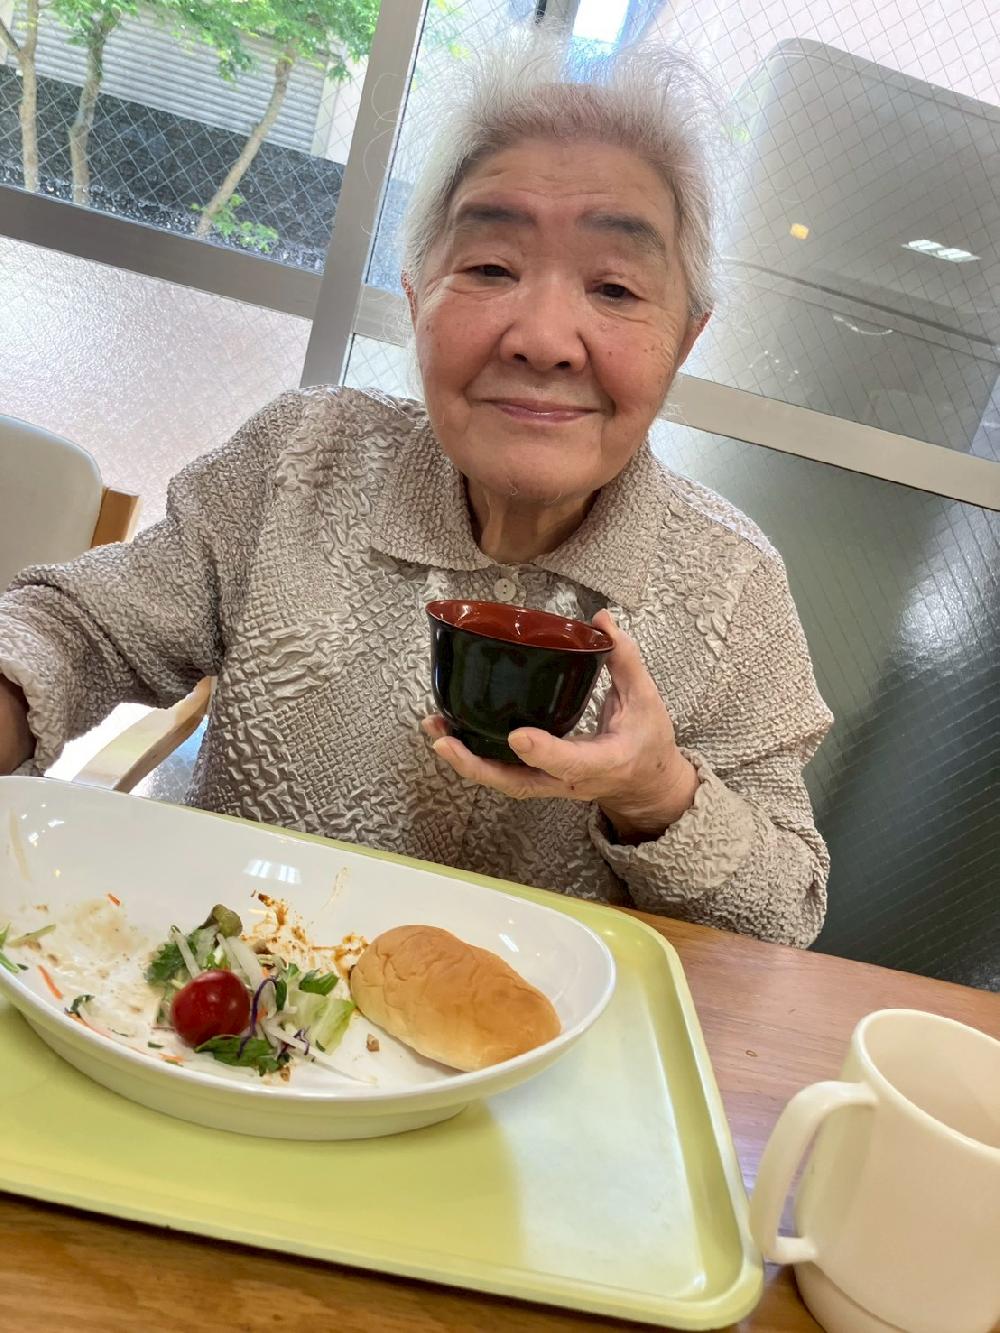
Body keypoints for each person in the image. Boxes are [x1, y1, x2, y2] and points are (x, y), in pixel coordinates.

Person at [0, 41, 832, 947]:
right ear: (415, 298)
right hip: (227, 988)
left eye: (615, 286)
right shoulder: (302, 460)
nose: (544, 338)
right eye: (490, 268)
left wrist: (655, 792)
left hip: (537, 1030)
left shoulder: (732, 585)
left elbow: (784, 915)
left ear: (686, 339)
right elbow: (79, 628)